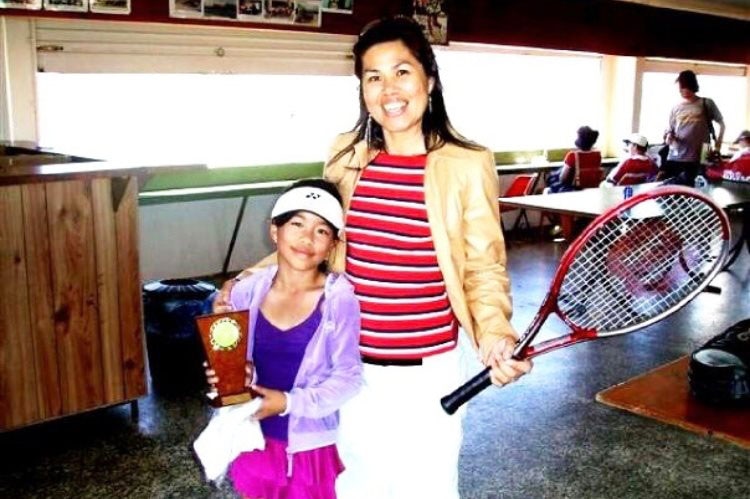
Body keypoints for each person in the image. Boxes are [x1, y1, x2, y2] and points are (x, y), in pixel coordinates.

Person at [214, 15, 532, 499]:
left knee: (426, 488)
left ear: (429, 78)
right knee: (357, 486)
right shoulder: (346, 155)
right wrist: (243, 283)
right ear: (362, 88)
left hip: (428, 369)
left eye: (402, 71)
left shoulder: (467, 163)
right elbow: (317, 244)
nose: (389, 89)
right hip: (348, 365)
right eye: (373, 76)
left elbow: (483, 266)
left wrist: (495, 334)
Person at [207, 178, 363, 499]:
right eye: (297, 224)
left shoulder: (339, 299)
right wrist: (232, 375)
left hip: (312, 451)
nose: (307, 238)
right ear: (274, 231)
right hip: (254, 442)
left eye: (322, 230)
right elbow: (232, 366)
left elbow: (348, 378)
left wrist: (288, 402)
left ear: (333, 243)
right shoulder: (245, 292)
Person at [661, 69, 725, 185]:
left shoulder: (706, 103)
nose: (682, 90)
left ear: (692, 86)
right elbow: (669, 131)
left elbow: (722, 124)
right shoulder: (675, 107)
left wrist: (718, 145)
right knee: (677, 190)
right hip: (678, 155)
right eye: (680, 87)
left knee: (702, 188)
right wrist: (669, 137)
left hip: (703, 153)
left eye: (685, 87)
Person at [546, 125, 602, 193]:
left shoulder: (572, 155)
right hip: (592, 190)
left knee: (551, 181)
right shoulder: (597, 155)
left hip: (574, 190)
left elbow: (563, 179)